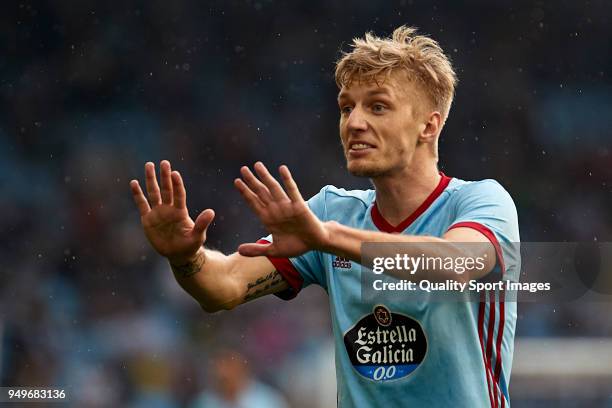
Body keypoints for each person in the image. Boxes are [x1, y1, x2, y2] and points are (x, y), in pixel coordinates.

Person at [130, 26, 519, 407]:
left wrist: (328, 238)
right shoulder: (333, 212)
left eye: (377, 106)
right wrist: (185, 258)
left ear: (428, 125)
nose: (354, 123)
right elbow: (223, 287)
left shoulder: (482, 201)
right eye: (347, 107)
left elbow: (457, 264)